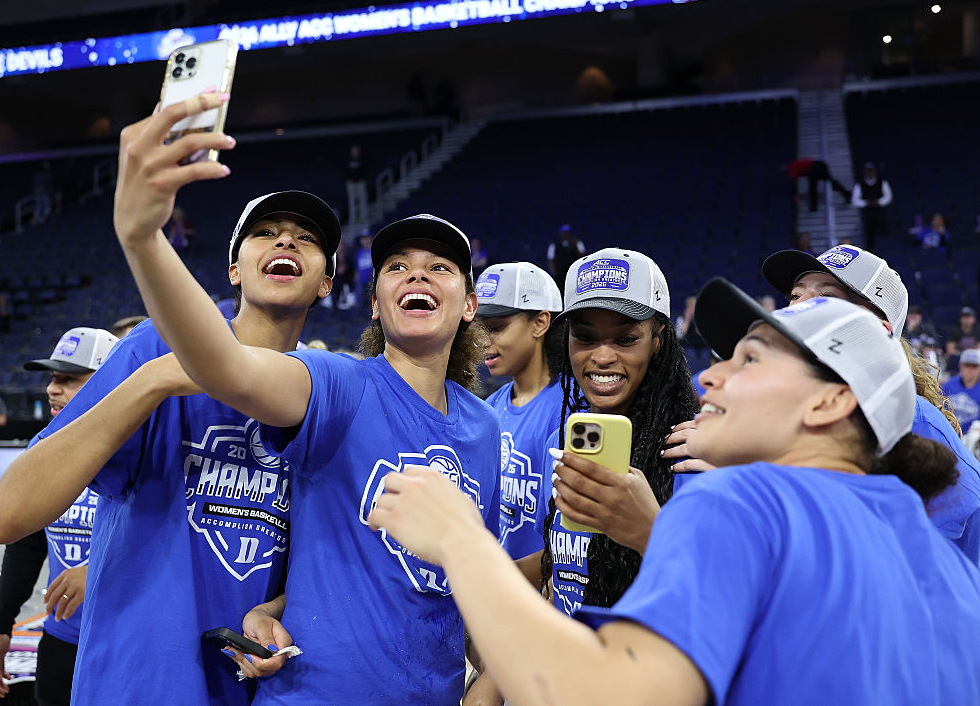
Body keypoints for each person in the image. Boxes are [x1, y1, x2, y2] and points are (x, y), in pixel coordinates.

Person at [368, 281, 980, 706]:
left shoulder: (746, 499)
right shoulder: (948, 565)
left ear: (830, 402)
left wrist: (458, 540)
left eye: (750, 360)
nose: (711, 374)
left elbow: (602, 693)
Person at [0, 96, 341, 706]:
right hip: (137, 686)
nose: (286, 241)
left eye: (306, 239)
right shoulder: (155, 347)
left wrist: (278, 610)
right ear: (234, 269)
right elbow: (9, 516)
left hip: (260, 691)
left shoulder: (331, 387)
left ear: (327, 280)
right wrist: (155, 380)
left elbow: (327, 560)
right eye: (265, 233)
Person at [116, 170, 500, 703]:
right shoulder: (339, 383)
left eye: (440, 268)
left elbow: (475, 583)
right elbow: (231, 368)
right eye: (396, 268)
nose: (418, 277)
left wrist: (494, 679)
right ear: (374, 301)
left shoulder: (484, 428)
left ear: (470, 304)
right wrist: (145, 242)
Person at [754, 244, 980, 563]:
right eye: (795, 295)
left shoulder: (915, 426)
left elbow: (893, 571)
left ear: (876, 326)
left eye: (825, 297)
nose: (796, 309)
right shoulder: (805, 409)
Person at [535, 249, 697, 617]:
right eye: (585, 337)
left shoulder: (689, 456)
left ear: (658, 338)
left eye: (625, 339)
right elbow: (560, 579)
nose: (603, 357)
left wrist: (647, 530)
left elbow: (714, 603)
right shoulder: (560, 444)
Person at [0, 327, 117, 706]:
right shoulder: (41, 447)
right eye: (52, 378)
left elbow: (174, 546)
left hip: (121, 639)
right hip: (60, 638)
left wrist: (101, 569)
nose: (51, 389)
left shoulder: (146, 449)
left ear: (110, 381)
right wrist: (0, 625)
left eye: (68, 379)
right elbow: (26, 543)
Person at [476, 262, 563, 559]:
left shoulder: (570, 408)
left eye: (497, 328)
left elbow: (566, 545)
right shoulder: (488, 408)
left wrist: (490, 585)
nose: (483, 341)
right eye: (478, 329)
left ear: (540, 322)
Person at [851, 162, 893, 249]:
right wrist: (866, 203)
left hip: (880, 212)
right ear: (865, 172)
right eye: (868, 171)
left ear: (874, 171)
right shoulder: (860, 184)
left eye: (871, 171)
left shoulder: (882, 182)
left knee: (882, 232)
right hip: (867, 213)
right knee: (869, 234)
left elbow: (888, 196)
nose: (870, 173)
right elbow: (855, 200)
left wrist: (879, 202)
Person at [787, 157, 851, 212]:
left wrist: (795, 194)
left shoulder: (792, 168)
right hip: (821, 164)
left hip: (813, 168)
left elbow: (794, 183)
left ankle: (813, 208)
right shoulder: (796, 163)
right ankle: (847, 194)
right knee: (832, 182)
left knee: (812, 189)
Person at [944, 349, 980, 433]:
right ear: (960, 365)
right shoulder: (948, 385)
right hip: (949, 433)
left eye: (974, 366)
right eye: (967, 365)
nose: (970, 370)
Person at [547, 224, 585, 290]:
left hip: (573, 274)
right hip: (560, 275)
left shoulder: (577, 243)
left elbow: (582, 256)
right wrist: (554, 272)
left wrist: (575, 245)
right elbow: (551, 259)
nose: (566, 235)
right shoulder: (554, 245)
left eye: (567, 233)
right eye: (564, 233)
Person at [345, 144, 368, 225]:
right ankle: (353, 219)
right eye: (353, 151)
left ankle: (363, 218)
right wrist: (348, 180)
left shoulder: (362, 160)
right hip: (351, 184)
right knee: (352, 202)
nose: (355, 152)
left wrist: (363, 179)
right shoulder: (348, 160)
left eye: (356, 151)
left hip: (360, 183)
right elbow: (345, 171)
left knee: (362, 200)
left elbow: (365, 170)